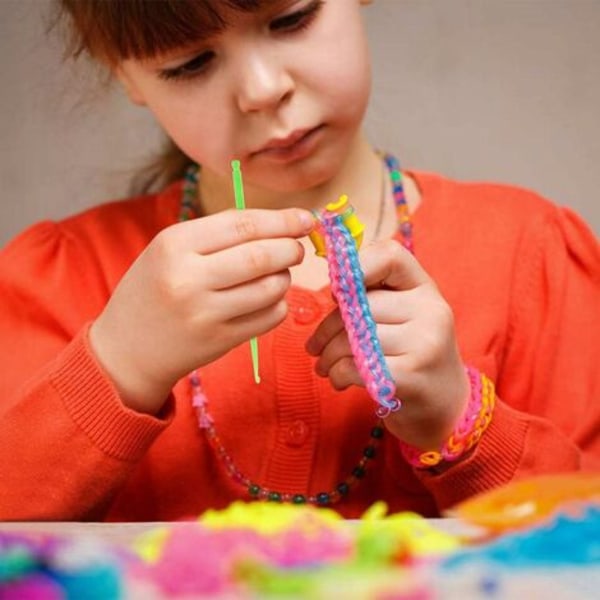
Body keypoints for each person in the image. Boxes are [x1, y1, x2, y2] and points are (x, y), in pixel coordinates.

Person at [0, 0, 598, 522]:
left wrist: (457, 417)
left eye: (292, 18)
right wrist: (120, 363)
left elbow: (583, 541)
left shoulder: (531, 252)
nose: (261, 89)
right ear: (124, 74)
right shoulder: (64, 279)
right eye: (190, 63)